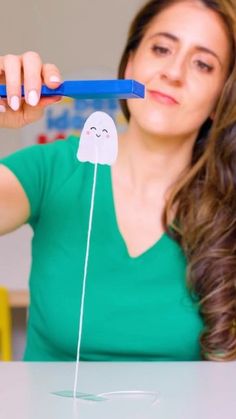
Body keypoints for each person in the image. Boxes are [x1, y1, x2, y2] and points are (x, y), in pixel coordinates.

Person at [0, 0, 235, 362]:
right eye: (161, 48)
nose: (173, 72)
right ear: (129, 63)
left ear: (222, 96)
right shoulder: (54, 168)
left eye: (203, 64)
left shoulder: (227, 207)